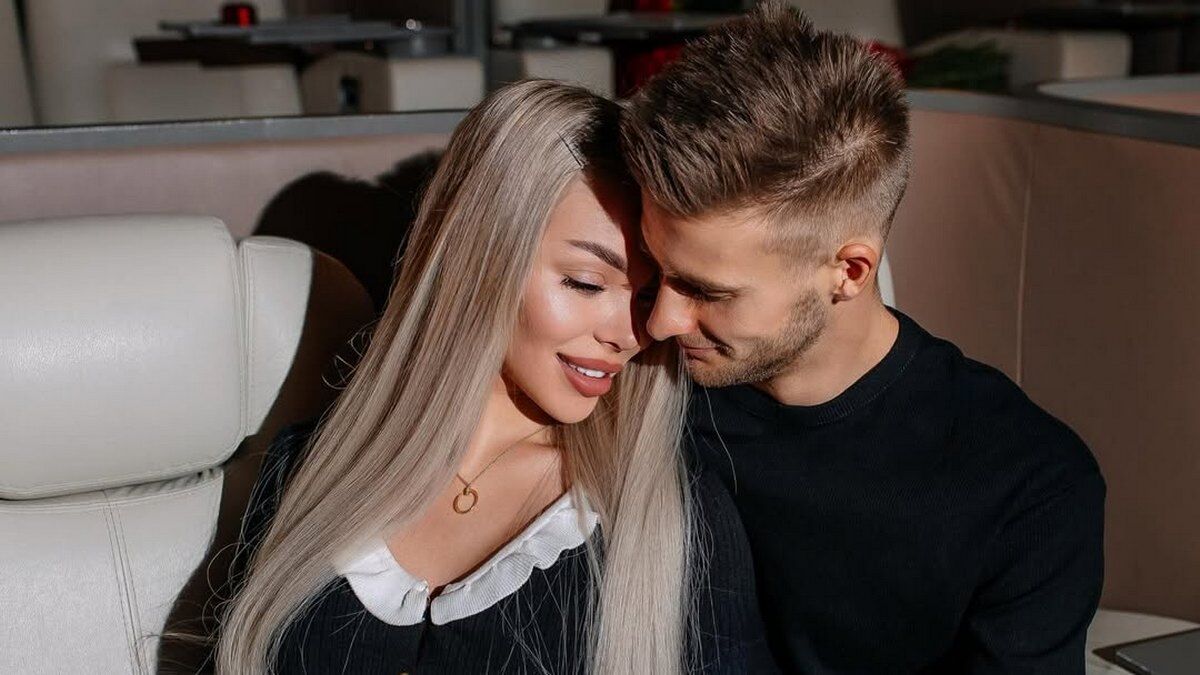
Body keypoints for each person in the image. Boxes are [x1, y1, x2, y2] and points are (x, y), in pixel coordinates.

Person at [216, 80, 772, 674]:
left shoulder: (676, 519)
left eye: (645, 296)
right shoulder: (308, 470)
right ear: (481, 257)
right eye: (586, 283)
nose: (630, 334)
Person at [620, 3, 1106, 673]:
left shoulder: (1029, 488)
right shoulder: (645, 391)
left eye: (707, 291)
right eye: (656, 273)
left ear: (849, 271)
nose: (659, 323)